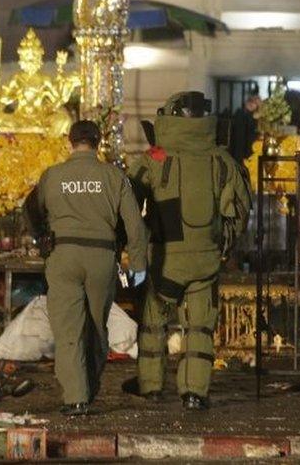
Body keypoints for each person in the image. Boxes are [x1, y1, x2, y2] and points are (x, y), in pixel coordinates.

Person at [130, 91, 251, 411]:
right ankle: (194, 393)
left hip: (165, 259)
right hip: (206, 260)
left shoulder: (154, 159)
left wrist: (134, 244)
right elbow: (239, 210)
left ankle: (152, 386)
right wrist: (224, 244)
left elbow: (128, 204)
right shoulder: (221, 160)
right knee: (200, 327)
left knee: (154, 324)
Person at [24, 120, 149, 416]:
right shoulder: (113, 176)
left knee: (69, 329)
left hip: (63, 255)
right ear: (98, 142)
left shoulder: (53, 176)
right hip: (102, 258)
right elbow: (135, 224)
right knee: (96, 326)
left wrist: (39, 238)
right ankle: (89, 387)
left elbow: (30, 209)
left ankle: (76, 397)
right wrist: (139, 262)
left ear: (70, 142)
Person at [228, 86, 261, 163]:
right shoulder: (242, 115)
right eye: (255, 103)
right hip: (242, 153)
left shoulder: (246, 115)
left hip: (244, 153)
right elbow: (240, 139)